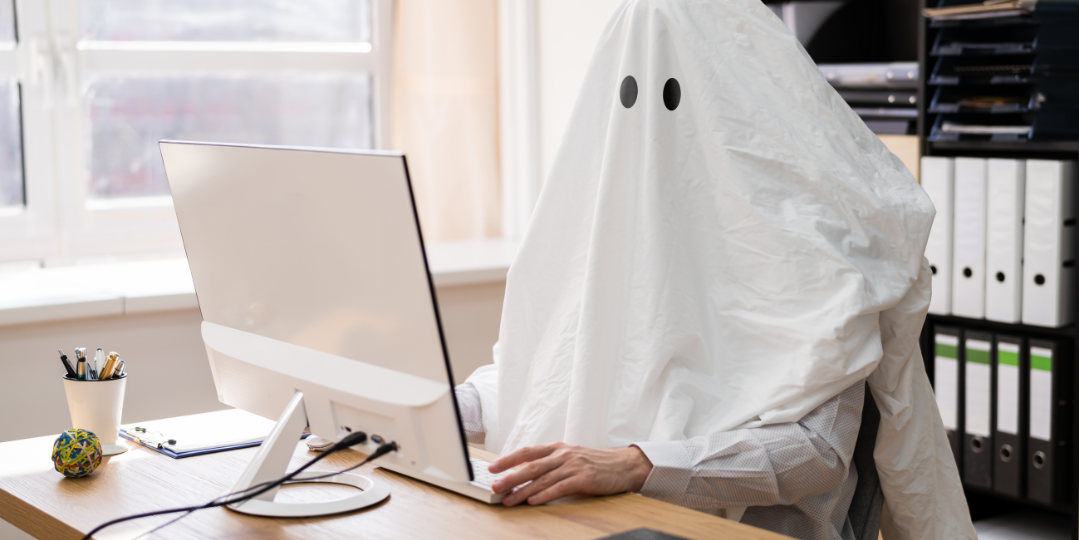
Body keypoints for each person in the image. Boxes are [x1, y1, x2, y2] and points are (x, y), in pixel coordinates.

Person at [456, 1, 976, 539]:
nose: (649, 131)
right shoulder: (613, 230)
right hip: (594, 517)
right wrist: (446, 409)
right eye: (627, 91)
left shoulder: (815, 246)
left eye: (673, 94)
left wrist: (637, 465)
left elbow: (818, 451)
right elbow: (544, 372)